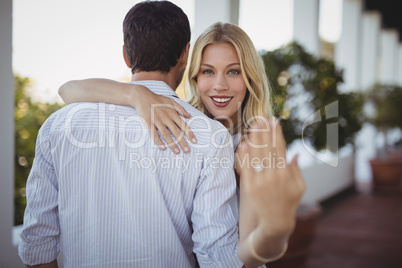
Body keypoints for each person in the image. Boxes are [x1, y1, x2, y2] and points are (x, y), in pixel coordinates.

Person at [19, 2, 260, 267]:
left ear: (126, 55)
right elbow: (217, 257)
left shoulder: (58, 125)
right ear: (185, 54)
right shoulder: (209, 136)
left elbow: (37, 246)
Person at [58, 20, 306, 267]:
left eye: (233, 71)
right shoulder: (179, 117)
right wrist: (135, 94)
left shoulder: (259, 141)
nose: (220, 84)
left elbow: (251, 254)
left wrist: (275, 229)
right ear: (195, 74)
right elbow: (68, 90)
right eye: (208, 71)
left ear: (250, 76)